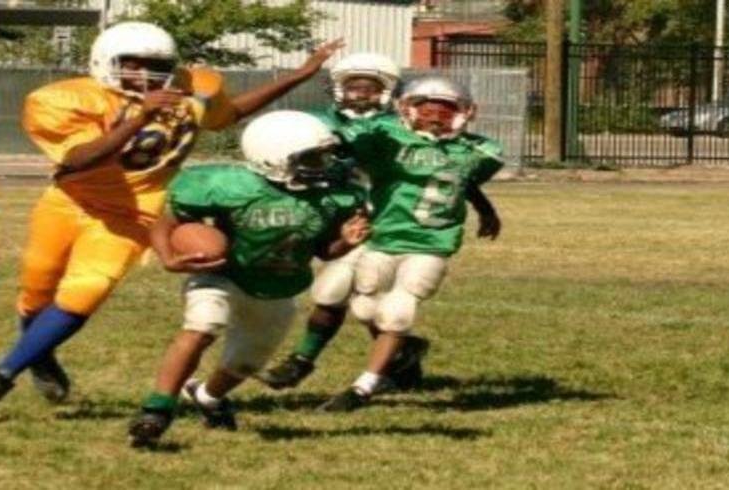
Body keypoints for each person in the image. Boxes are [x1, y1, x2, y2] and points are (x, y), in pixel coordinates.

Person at [0, 21, 343, 409]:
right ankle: (38, 354)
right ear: (105, 61)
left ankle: (2, 374)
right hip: (71, 201)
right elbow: (78, 160)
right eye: (132, 64)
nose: (144, 74)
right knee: (37, 292)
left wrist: (300, 74)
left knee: (87, 290)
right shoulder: (67, 98)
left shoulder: (194, 86)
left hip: (136, 210)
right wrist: (140, 118)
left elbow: (229, 113)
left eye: (155, 65)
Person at [258, 56, 500, 392]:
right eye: (352, 86)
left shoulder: (398, 126)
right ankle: (396, 356)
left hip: (382, 219)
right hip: (343, 214)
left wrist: (483, 207)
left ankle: (313, 361)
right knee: (337, 295)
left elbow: (448, 172)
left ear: (389, 92)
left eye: (370, 88)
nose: (360, 94)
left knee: (354, 296)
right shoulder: (319, 122)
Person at [128, 110, 369, 447]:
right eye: (312, 158)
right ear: (272, 159)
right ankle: (156, 410)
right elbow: (167, 221)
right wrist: (169, 256)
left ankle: (209, 397)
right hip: (224, 274)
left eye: (325, 156)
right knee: (202, 327)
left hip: (278, 289)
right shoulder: (230, 187)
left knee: (245, 363)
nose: (324, 164)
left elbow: (325, 252)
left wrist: (346, 241)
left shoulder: (332, 196)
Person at [317, 75, 505, 411]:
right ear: (405, 109)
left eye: (444, 111)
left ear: (464, 113)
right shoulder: (388, 138)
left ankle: (363, 387)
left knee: (397, 311)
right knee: (364, 308)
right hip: (383, 237)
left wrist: (484, 207)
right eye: (425, 109)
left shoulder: (478, 150)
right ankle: (405, 354)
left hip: (430, 243)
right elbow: (345, 142)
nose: (434, 117)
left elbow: (460, 179)